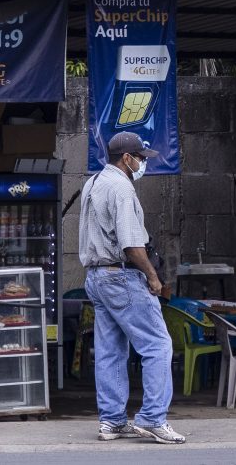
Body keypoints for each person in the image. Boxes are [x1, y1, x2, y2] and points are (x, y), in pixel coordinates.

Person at [79, 131, 184, 444]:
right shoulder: (122, 189)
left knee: (110, 351)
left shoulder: (93, 182)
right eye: (140, 158)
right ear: (126, 158)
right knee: (157, 345)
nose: (142, 164)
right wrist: (153, 276)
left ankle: (111, 421)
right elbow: (131, 245)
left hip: (96, 277)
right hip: (121, 276)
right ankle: (152, 418)